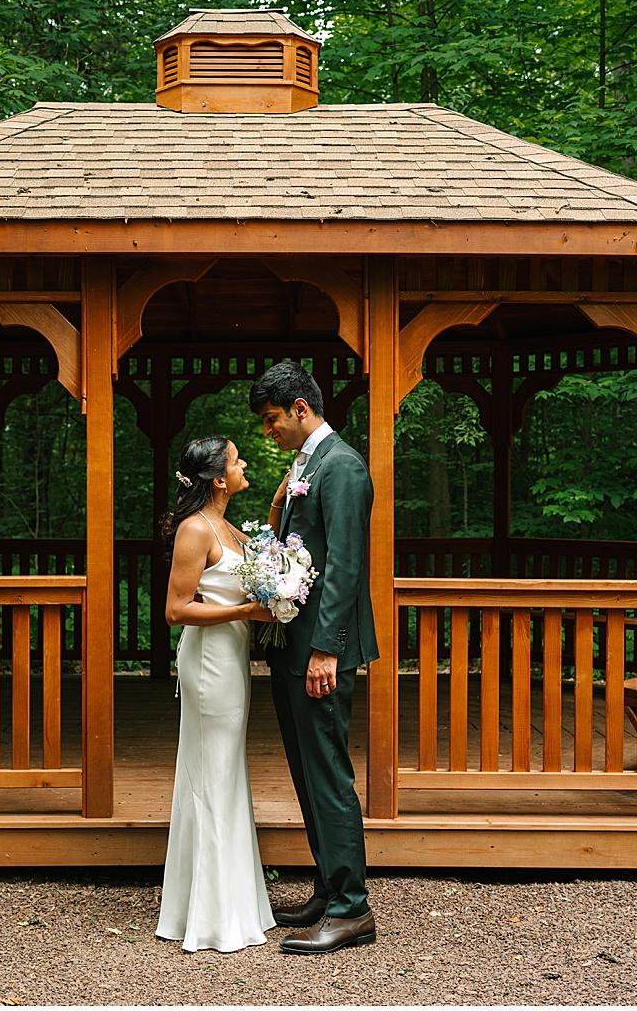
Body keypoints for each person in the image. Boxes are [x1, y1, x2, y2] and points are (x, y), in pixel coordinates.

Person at [249, 360, 380, 954]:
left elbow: (347, 566)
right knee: (306, 770)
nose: (269, 431)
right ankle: (329, 889)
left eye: (273, 419)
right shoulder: (305, 466)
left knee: (327, 771)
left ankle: (353, 908)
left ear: (301, 407)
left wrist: (328, 648)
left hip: (323, 649)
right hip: (294, 645)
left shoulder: (343, 467)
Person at [154, 436, 277, 953]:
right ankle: (208, 915)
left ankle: (234, 902)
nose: (244, 461)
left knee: (226, 771)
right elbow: (176, 610)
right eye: (235, 458)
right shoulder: (194, 530)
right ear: (219, 479)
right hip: (208, 660)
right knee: (211, 771)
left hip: (231, 658)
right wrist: (245, 613)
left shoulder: (228, 526)